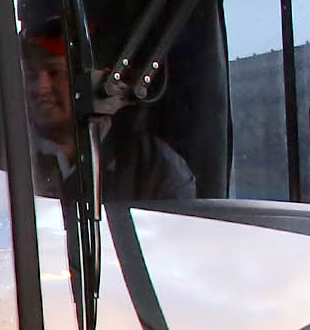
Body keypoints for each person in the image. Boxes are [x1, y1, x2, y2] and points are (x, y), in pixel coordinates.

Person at [22, 25, 197, 206]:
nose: (38, 87)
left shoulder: (154, 168)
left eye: (54, 72)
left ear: (102, 81)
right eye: (31, 74)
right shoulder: (1, 158)